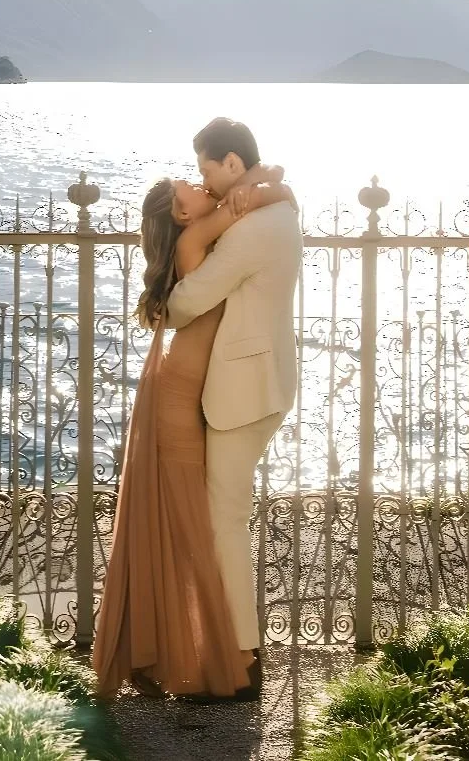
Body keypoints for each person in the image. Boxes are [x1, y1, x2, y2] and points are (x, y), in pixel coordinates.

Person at [92, 145, 296, 701]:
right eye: (188, 184)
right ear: (181, 214)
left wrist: (269, 183)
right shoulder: (194, 237)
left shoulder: (206, 228)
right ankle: (227, 658)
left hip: (192, 386)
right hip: (181, 390)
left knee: (181, 520)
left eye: (200, 172)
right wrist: (271, 186)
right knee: (188, 521)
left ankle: (186, 649)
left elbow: (265, 187)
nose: (199, 184)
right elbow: (188, 303)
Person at [165, 118, 303, 701]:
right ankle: (232, 646)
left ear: (231, 164)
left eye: (206, 171)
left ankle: (242, 660)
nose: (205, 183)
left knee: (226, 522)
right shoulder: (276, 212)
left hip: (243, 393)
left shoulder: (252, 229)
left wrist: (163, 301)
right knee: (226, 518)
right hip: (262, 382)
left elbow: (189, 302)